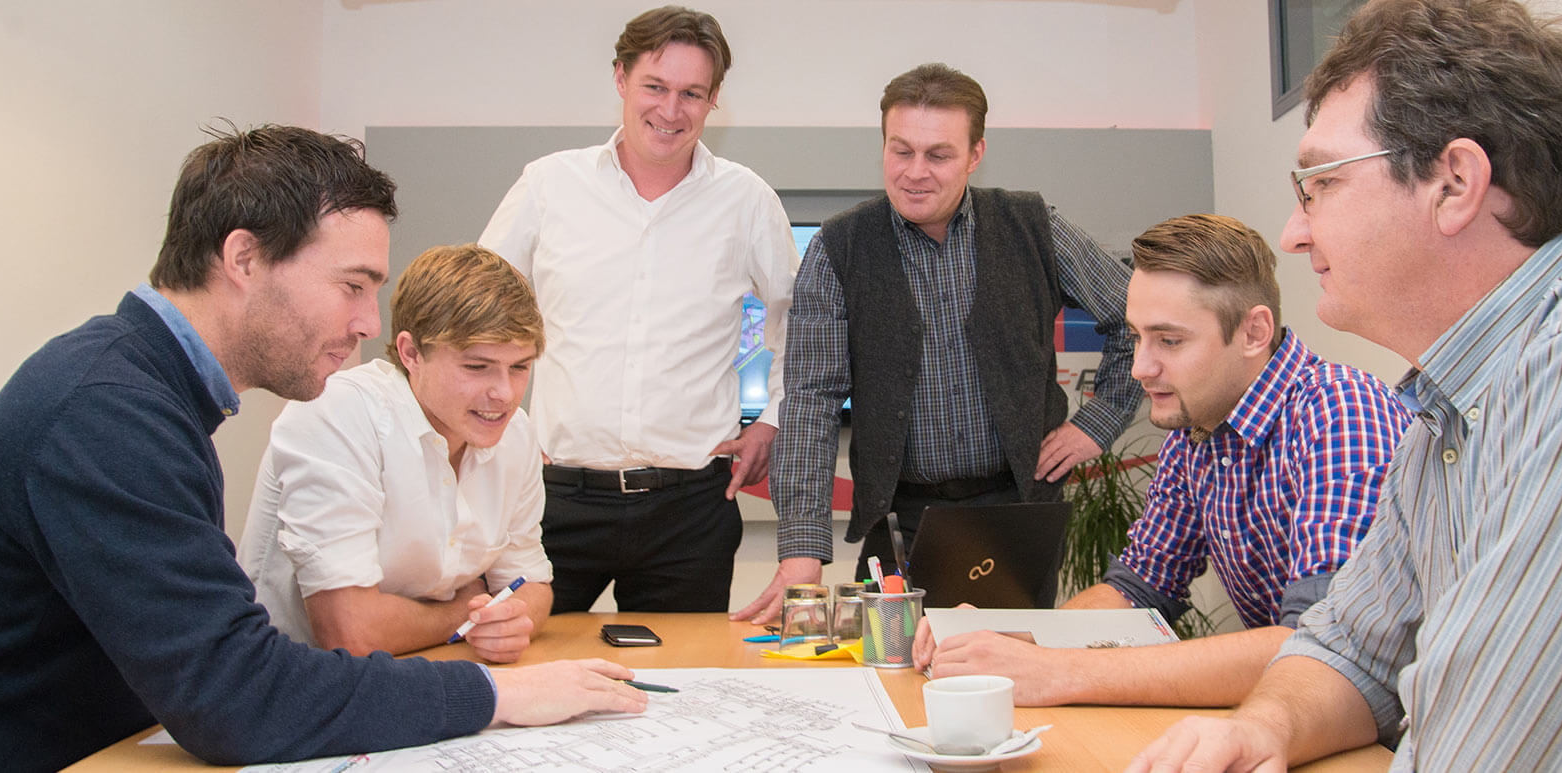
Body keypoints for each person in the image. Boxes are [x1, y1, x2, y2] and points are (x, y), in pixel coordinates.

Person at [1132, 1, 1562, 770]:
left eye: (1320, 183)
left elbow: (1498, 750)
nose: (1294, 231)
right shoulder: (1443, 417)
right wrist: (1264, 727)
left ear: (1454, 183)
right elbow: (1353, 650)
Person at [0, 125, 645, 772]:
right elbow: (235, 696)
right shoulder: (107, 412)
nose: (368, 324)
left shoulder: (142, 390)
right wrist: (497, 695)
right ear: (243, 259)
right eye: (352, 285)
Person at [914, 214, 1410, 707]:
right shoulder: (1196, 430)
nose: (1140, 368)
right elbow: (1139, 588)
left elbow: (1320, 648)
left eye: (1169, 341)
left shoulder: (1342, 411)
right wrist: (1019, 639)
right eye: (1136, 337)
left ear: (1254, 332)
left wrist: (1058, 670)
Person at [741, 63, 1142, 622]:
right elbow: (811, 400)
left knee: (1014, 664)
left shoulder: (1032, 226)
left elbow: (1139, 320)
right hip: (899, 518)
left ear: (976, 154)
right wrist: (803, 550)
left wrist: (1097, 423)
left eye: (938, 155)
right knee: (891, 663)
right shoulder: (839, 248)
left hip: (1016, 511)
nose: (915, 173)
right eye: (901, 151)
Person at [477, 5, 795, 615]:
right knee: (523, 656)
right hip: (552, 500)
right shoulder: (549, 186)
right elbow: (475, 310)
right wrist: (498, 425)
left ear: (714, 99)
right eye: (655, 86)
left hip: (691, 512)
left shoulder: (746, 200)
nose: (670, 110)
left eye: (691, 93)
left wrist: (773, 420)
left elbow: (800, 320)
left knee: (686, 672)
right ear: (621, 78)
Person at [239, 243, 554, 663]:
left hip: (425, 668)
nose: (505, 394)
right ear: (411, 354)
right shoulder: (338, 413)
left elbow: (530, 584)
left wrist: (512, 619)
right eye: (477, 367)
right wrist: (466, 610)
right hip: (297, 679)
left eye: (519, 367)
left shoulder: (515, 434)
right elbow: (349, 632)